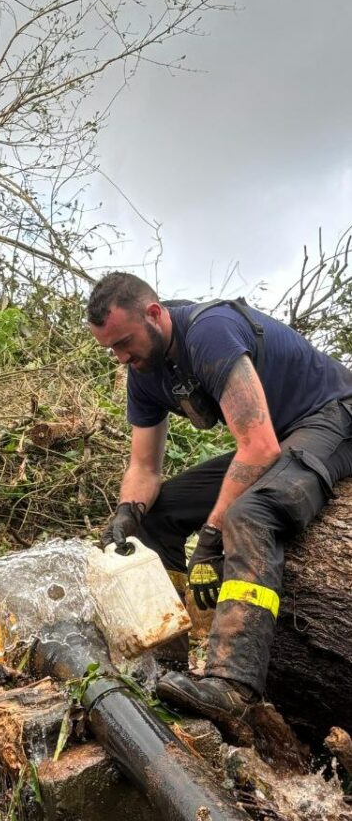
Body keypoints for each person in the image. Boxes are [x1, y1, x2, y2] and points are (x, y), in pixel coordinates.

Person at [87, 271, 352, 722]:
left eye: (124, 342)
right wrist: (126, 514)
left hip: (333, 417)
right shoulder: (144, 372)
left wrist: (210, 539)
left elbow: (258, 448)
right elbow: (144, 468)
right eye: (110, 348)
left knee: (250, 514)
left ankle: (233, 687)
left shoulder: (209, 331)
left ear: (154, 314)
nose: (120, 357)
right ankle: (162, 663)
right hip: (278, 436)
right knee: (158, 515)